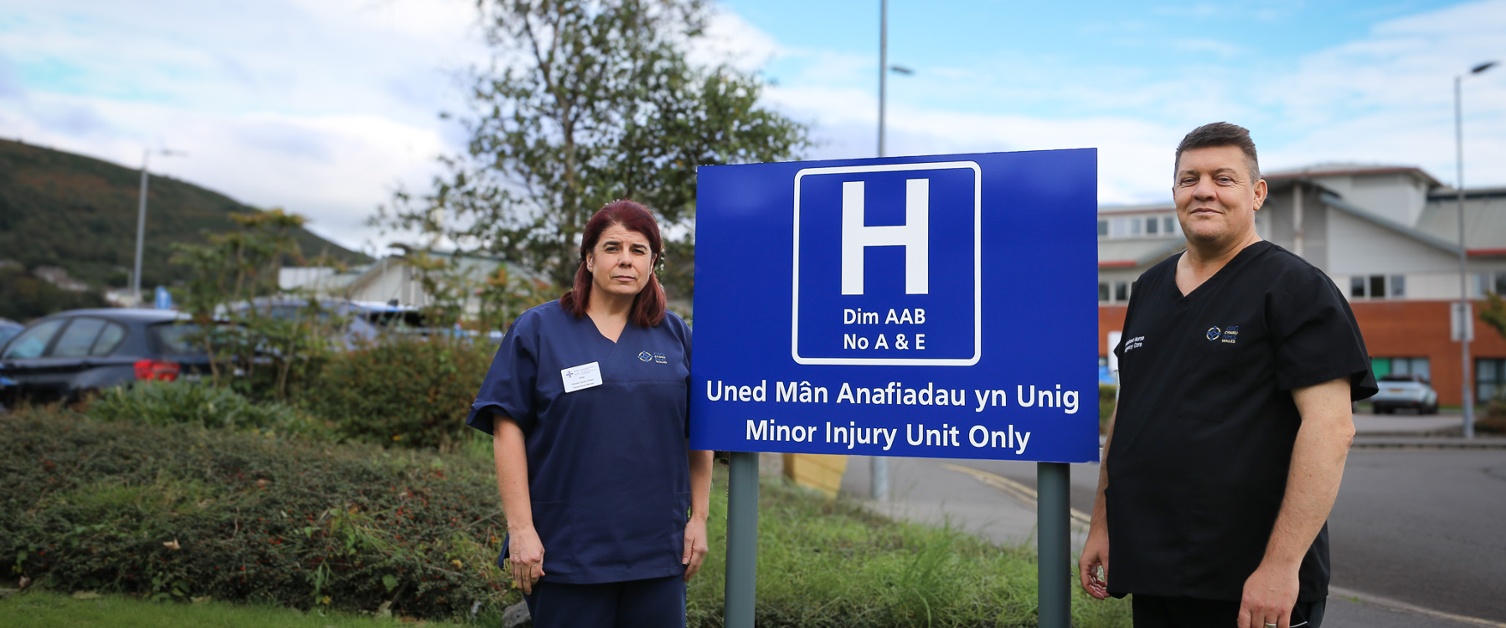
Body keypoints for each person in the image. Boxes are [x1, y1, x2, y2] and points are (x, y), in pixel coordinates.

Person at [1078, 122, 1378, 628]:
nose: (1204, 191)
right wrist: (1102, 525)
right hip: (1153, 571)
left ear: (1257, 193)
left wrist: (1281, 569)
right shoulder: (1148, 289)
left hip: (1250, 586)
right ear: (1174, 192)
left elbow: (1331, 430)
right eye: (1189, 178)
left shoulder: (1295, 288)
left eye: (1223, 178)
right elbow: (1129, 415)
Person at [467, 199, 713, 628]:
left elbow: (700, 434)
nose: (625, 260)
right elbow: (507, 430)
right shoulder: (539, 331)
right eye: (612, 247)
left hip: (657, 551)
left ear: (653, 263)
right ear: (589, 257)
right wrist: (521, 529)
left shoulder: (676, 336)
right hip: (567, 550)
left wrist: (700, 517)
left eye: (639, 250)